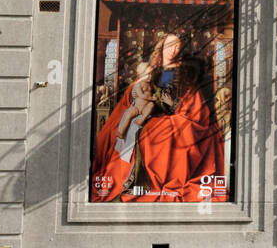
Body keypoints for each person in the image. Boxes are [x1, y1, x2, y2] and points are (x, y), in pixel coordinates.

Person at [91, 32, 225, 202]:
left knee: (155, 133)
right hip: (151, 111)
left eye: (177, 46)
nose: (173, 49)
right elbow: (136, 92)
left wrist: (172, 111)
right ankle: (130, 179)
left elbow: (191, 103)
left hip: (176, 118)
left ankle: (149, 181)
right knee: (129, 126)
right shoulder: (153, 71)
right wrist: (137, 91)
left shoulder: (185, 74)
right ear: (161, 48)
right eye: (169, 45)